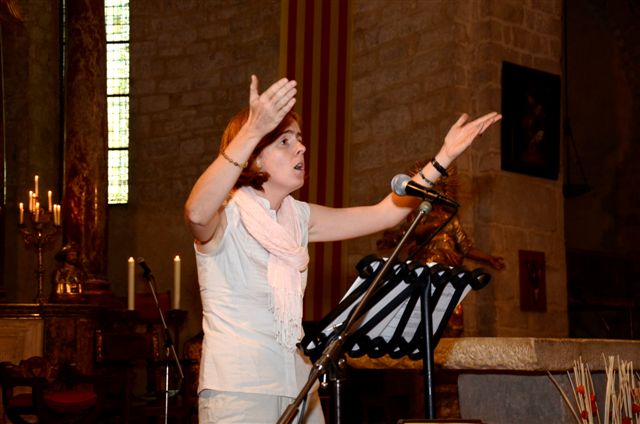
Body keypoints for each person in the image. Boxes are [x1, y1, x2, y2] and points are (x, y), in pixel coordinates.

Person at [184, 74, 501, 423]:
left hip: (297, 381)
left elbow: (384, 213)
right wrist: (251, 131)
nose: (301, 148)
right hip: (239, 388)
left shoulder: (299, 217)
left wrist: (442, 158)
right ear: (255, 159)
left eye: (299, 140)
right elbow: (196, 212)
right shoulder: (225, 215)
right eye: (284, 141)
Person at [378, 164, 505, 337]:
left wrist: (488, 258)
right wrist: (431, 226)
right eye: (432, 187)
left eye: (440, 187)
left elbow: (465, 247)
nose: (436, 191)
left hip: (448, 275)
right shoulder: (419, 215)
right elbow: (409, 234)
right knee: (423, 318)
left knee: (453, 322)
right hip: (426, 273)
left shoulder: (450, 219)